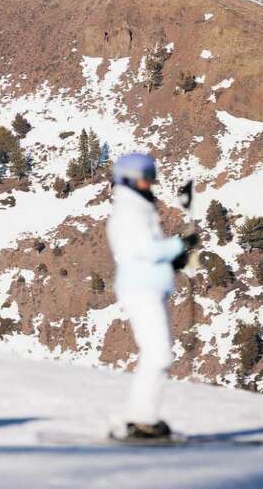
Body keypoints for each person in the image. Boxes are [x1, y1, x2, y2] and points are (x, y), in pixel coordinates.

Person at [105, 153, 198, 440]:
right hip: (141, 288)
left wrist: (175, 258)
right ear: (129, 179)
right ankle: (141, 420)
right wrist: (179, 245)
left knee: (156, 353)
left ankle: (139, 417)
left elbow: (148, 252)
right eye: (144, 177)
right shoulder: (129, 212)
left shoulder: (138, 209)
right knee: (158, 353)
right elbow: (144, 250)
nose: (149, 182)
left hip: (148, 285)